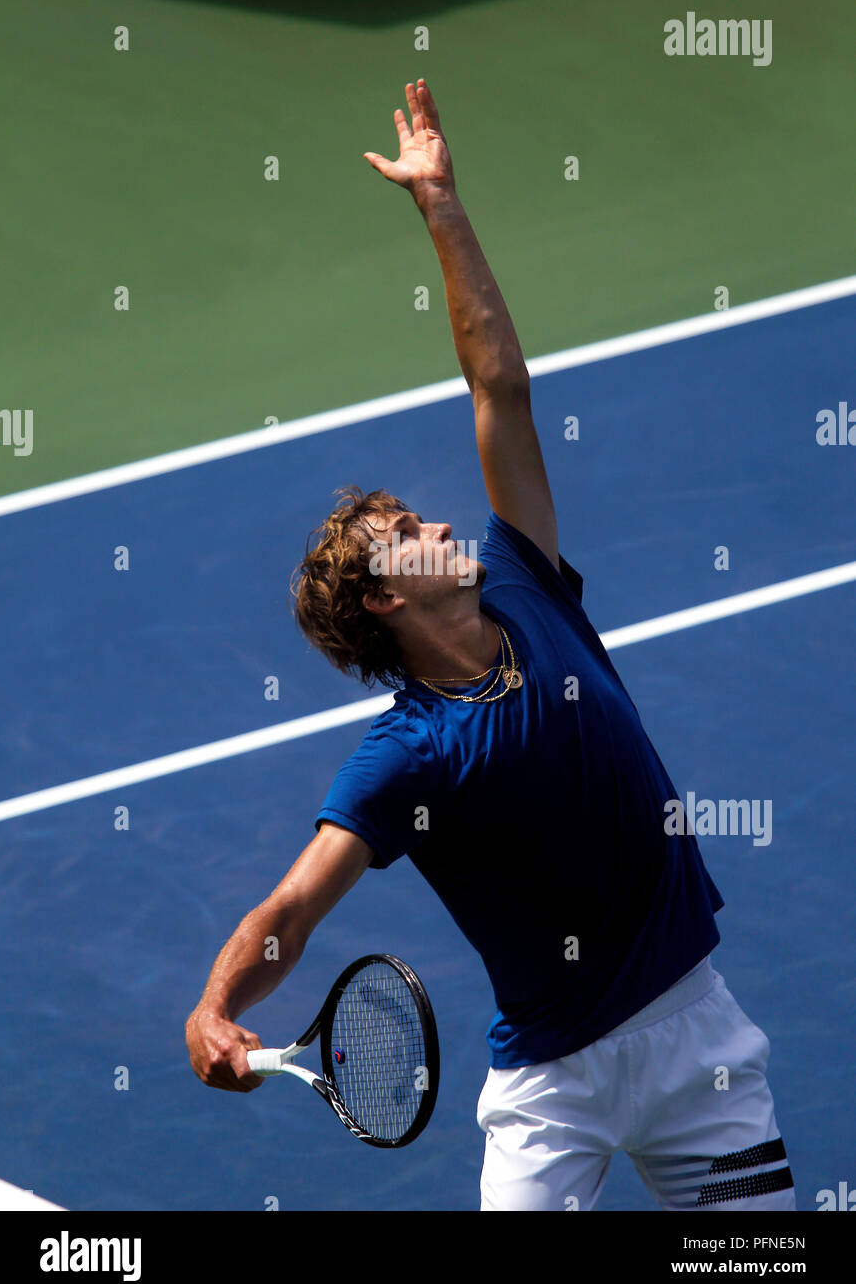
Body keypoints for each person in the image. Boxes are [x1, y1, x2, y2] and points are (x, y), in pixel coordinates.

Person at [186, 79, 794, 1212]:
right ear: (379, 602)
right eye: (402, 535)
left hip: (690, 1032)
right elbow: (291, 909)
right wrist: (212, 1006)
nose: (430, 521)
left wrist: (441, 207)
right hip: (551, 1089)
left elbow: (497, 383)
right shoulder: (404, 756)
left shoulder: (523, 581)